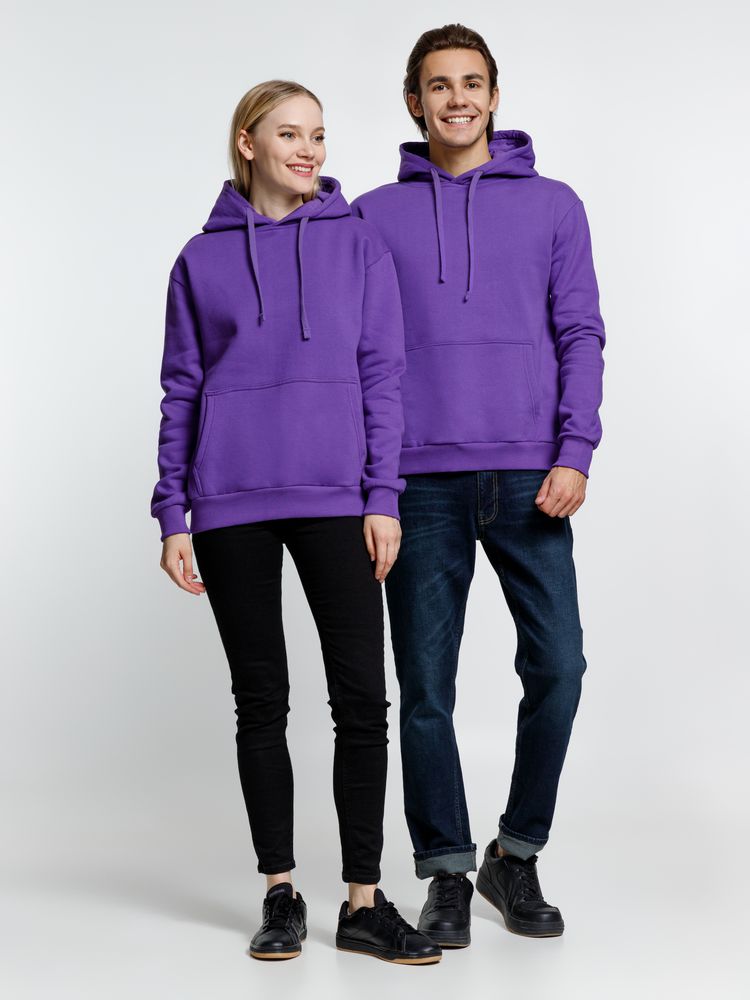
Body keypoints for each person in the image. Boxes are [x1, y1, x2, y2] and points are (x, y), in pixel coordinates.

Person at [150, 79, 441, 966]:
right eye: (290, 134)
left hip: (336, 497)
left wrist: (383, 496)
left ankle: (363, 903)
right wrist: (172, 511)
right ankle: (279, 892)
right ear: (248, 143)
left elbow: (383, 373)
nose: (310, 149)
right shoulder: (200, 260)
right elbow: (182, 390)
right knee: (260, 702)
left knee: (362, 699)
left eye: (318, 134)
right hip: (231, 500)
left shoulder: (358, 243)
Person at [352, 24, 606, 946]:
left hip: (532, 470)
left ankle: (516, 852)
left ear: (494, 96)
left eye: (471, 83)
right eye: (438, 85)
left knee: (560, 667)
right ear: (414, 102)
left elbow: (580, 332)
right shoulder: (371, 215)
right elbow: (358, 352)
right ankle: (448, 870)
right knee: (426, 687)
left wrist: (575, 448)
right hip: (418, 480)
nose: (456, 98)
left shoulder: (554, 205)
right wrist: (372, 485)